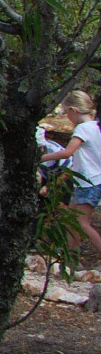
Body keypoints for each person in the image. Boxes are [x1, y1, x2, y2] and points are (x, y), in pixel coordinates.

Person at [41, 90, 101, 263]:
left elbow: (67, 152)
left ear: (73, 110)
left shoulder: (82, 129)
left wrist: (40, 158)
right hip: (89, 180)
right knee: (71, 222)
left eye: (66, 113)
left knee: (82, 223)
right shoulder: (96, 126)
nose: (67, 117)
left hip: (88, 183)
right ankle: (69, 259)